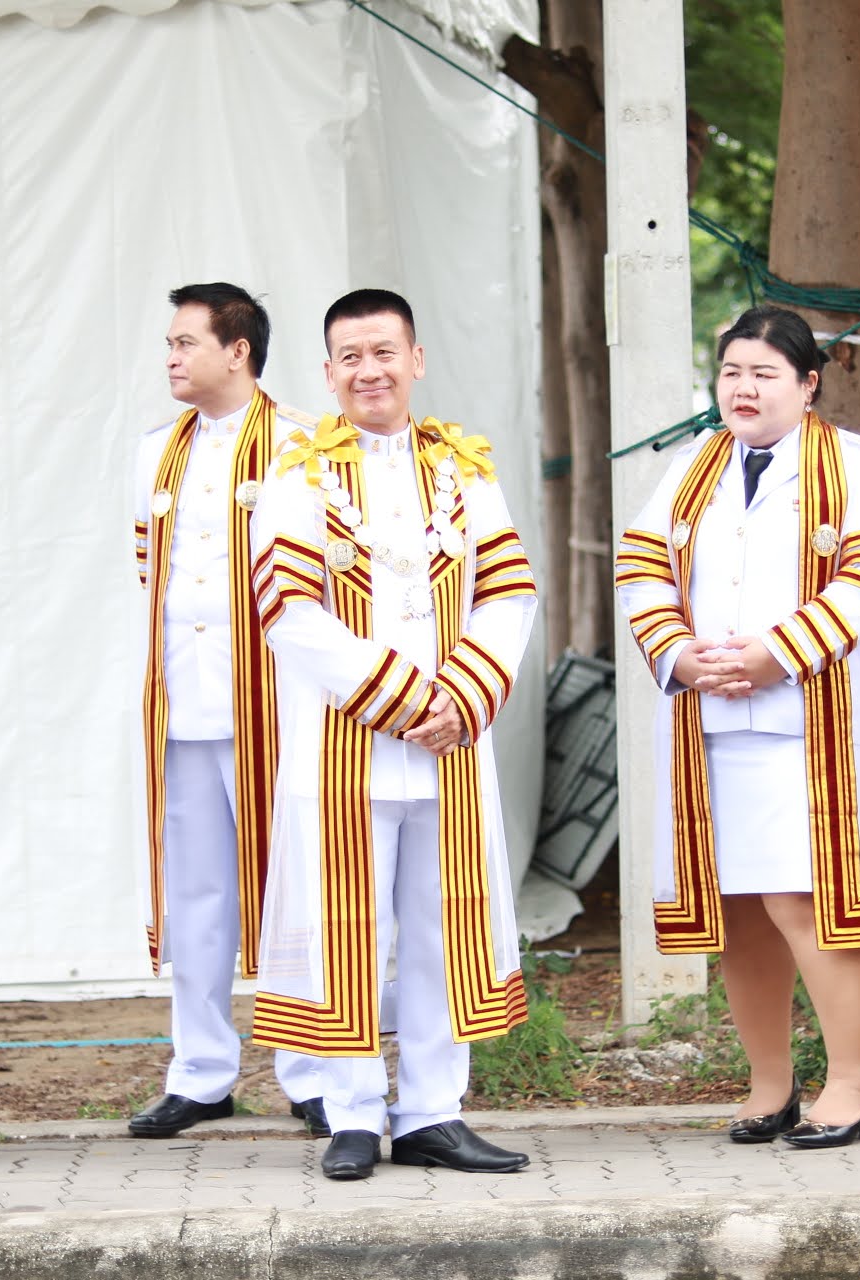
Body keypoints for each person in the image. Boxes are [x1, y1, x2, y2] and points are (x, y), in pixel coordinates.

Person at [248, 288, 537, 1181]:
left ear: (415, 360)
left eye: (384, 353)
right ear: (328, 371)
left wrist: (466, 694)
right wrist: (409, 699)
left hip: (449, 744)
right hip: (349, 742)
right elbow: (288, 611)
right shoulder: (299, 473)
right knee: (348, 926)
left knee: (441, 926)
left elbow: (509, 593)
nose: (368, 371)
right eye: (350, 357)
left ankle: (433, 1113)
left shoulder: (464, 467)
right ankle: (351, 1113)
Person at [614, 306, 860, 1150]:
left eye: (765, 374)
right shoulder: (691, 465)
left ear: (808, 384)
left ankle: (854, 1081)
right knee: (741, 904)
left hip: (811, 725)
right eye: (732, 372)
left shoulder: (855, 463)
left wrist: (780, 653)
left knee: (807, 901)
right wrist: (678, 652)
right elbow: (640, 566)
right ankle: (771, 1082)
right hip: (712, 722)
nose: (743, 389)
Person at [127, 283, 327, 1139]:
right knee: (197, 895)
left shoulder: (303, 445)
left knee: (295, 890)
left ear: (237, 350)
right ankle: (201, 1072)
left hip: (277, 705)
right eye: (170, 344)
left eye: (186, 343)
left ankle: (314, 1072)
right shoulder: (154, 452)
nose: (171, 358)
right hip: (184, 702)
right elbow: (153, 574)